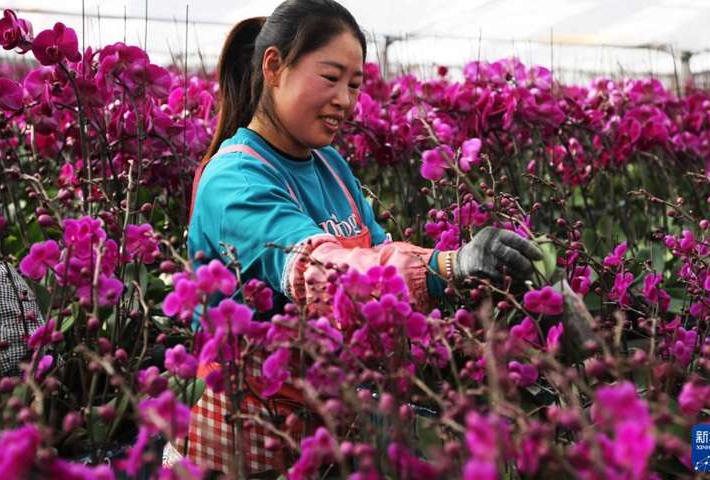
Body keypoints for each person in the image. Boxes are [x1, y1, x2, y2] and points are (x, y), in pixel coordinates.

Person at [182, 0, 543, 475]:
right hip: (257, 427)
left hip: (337, 411)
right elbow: (319, 269)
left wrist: (461, 280)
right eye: (330, 78)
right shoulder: (235, 181)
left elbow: (378, 254)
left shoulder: (329, 163)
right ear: (274, 66)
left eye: (354, 85)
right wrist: (450, 265)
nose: (345, 100)